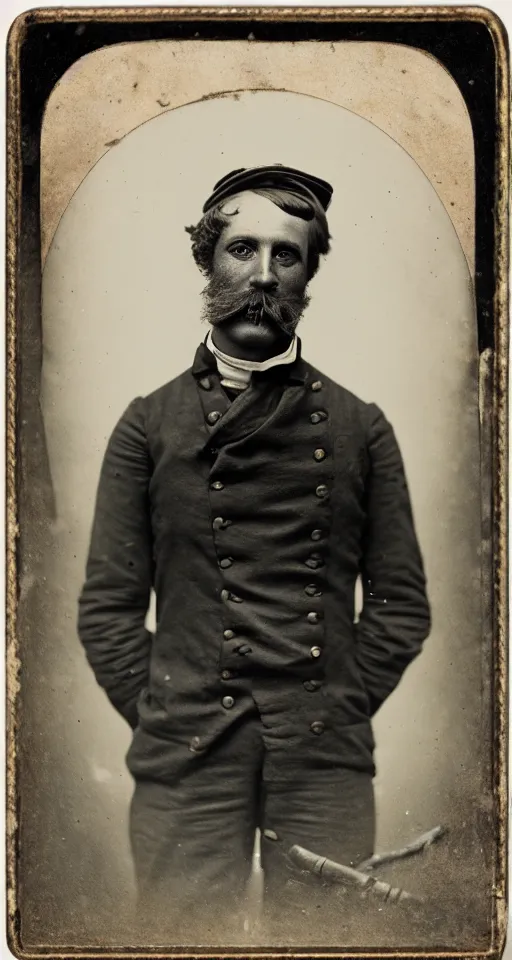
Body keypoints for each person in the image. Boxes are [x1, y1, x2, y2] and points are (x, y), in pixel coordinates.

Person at [77, 164, 431, 946]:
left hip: (322, 759)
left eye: (288, 254)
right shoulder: (147, 425)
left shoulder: (360, 427)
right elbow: (106, 607)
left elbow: (402, 605)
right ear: (207, 261)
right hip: (188, 757)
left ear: (310, 273)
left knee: (330, 947)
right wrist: (167, 710)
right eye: (242, 248)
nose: (263, 275)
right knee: (180, 944)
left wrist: (333, 705)